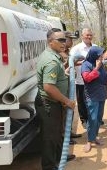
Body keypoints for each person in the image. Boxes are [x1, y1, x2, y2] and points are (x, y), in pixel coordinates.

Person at [35, 28, 76, 170]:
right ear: (50, 42)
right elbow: (49, 87)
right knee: (50, 137)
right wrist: (67, 101)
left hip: (54, 103)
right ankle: (49, 166)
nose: (64, 43)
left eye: (65, 40)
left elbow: (54, 79)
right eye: (61, 40)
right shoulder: (51, 61)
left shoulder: (54, 56)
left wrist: (64, 72)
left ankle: (60, 156)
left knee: (57, 132)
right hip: (48, 104)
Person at [81, 46, 107, 152]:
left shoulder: (100, 63)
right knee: (92, 118)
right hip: (92, 95)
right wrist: (96, 68)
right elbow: (87, 78)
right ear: (94, 55)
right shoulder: (86, 65)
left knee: (98, 118)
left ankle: (94, 137)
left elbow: (104, 78)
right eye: (100, 54)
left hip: (101, 94)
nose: (102, 56)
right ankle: (89, 140)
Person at [69, 28, 97, 128]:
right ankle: (84, 119)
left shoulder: (95, 47)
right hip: (81, 80)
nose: (89, 37)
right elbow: (71, 62)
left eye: (90, 35)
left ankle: (94, 119)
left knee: (93, 100)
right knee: (82, 102)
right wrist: (85, 62)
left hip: (94, 80)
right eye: (87, 35)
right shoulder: (76, 49)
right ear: (82, 36)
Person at [59, 31, 82, 142]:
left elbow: (71, 63)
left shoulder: (68, 52)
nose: (71, 42)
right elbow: (61, 68)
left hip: (69, 85)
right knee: (64, 111)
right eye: (69, 39)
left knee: (71, 109)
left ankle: (69, 132)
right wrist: (69, 63)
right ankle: (64, 135)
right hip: (63, 86)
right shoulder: (59, 53)